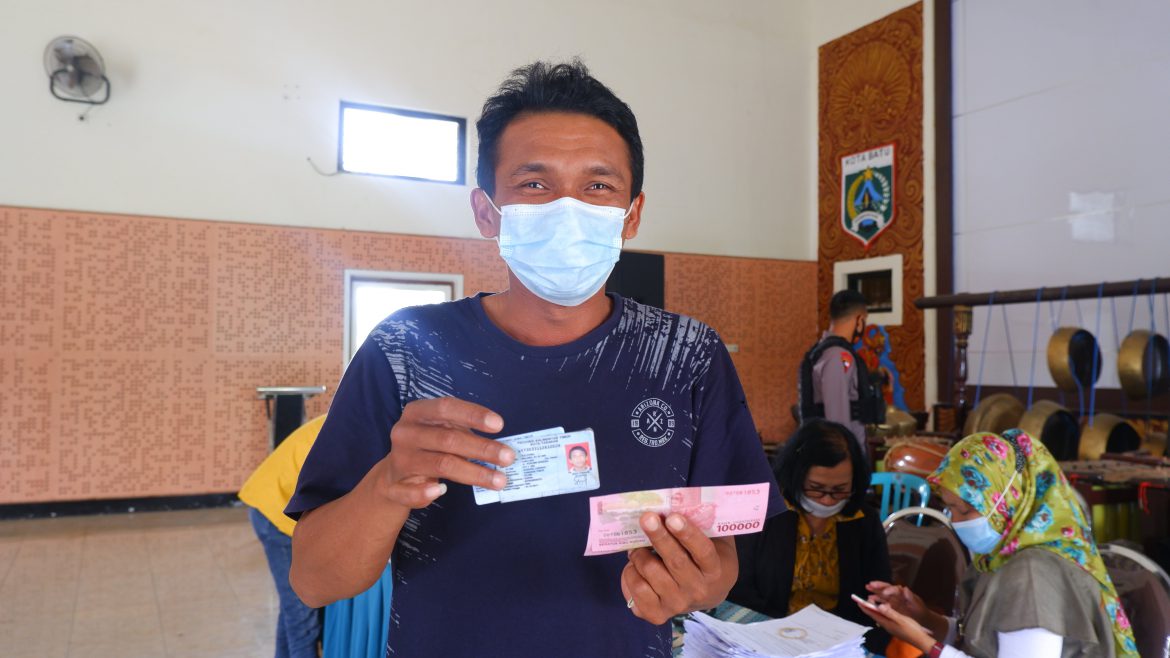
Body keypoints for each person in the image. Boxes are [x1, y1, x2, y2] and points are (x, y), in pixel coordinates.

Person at [285, 59, 781, 657]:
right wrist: (390, 484)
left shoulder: (688, 356)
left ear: (632, 214)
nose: (568, 209)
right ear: (486, 211)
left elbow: (721, 557)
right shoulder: (406, 349)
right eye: (535, 184)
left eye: (598, 186)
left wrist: (697, 584)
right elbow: (314, 580)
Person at [859, 429, 1139, 657]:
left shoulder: (1033, 575)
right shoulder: (1000, 556)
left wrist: (924, 642)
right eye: (949, 508)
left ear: (1010, 501)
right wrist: (923, 618)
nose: (955, 521)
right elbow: (986, 640)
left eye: (966, 510)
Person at [726, 419, 891, 654]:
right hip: (771, 636)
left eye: (840, 490)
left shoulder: (863, 520)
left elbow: (875, 595)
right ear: (796, 476)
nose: (828, 500)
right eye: (816, 488)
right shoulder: (767, 513)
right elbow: (741, 589)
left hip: (840, 643)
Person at [238, 415, 326, 658]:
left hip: (272, 503)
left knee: (293, 609)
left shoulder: (347, 420)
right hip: (276, 517)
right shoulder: (353, 433)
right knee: (302, 617)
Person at [798, 289, 884, 454]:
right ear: (859, 320)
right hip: (841, 454)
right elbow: (837, 419)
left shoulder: (824, 351)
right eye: (865, 319)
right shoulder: (839, 356)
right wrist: (845, 458)